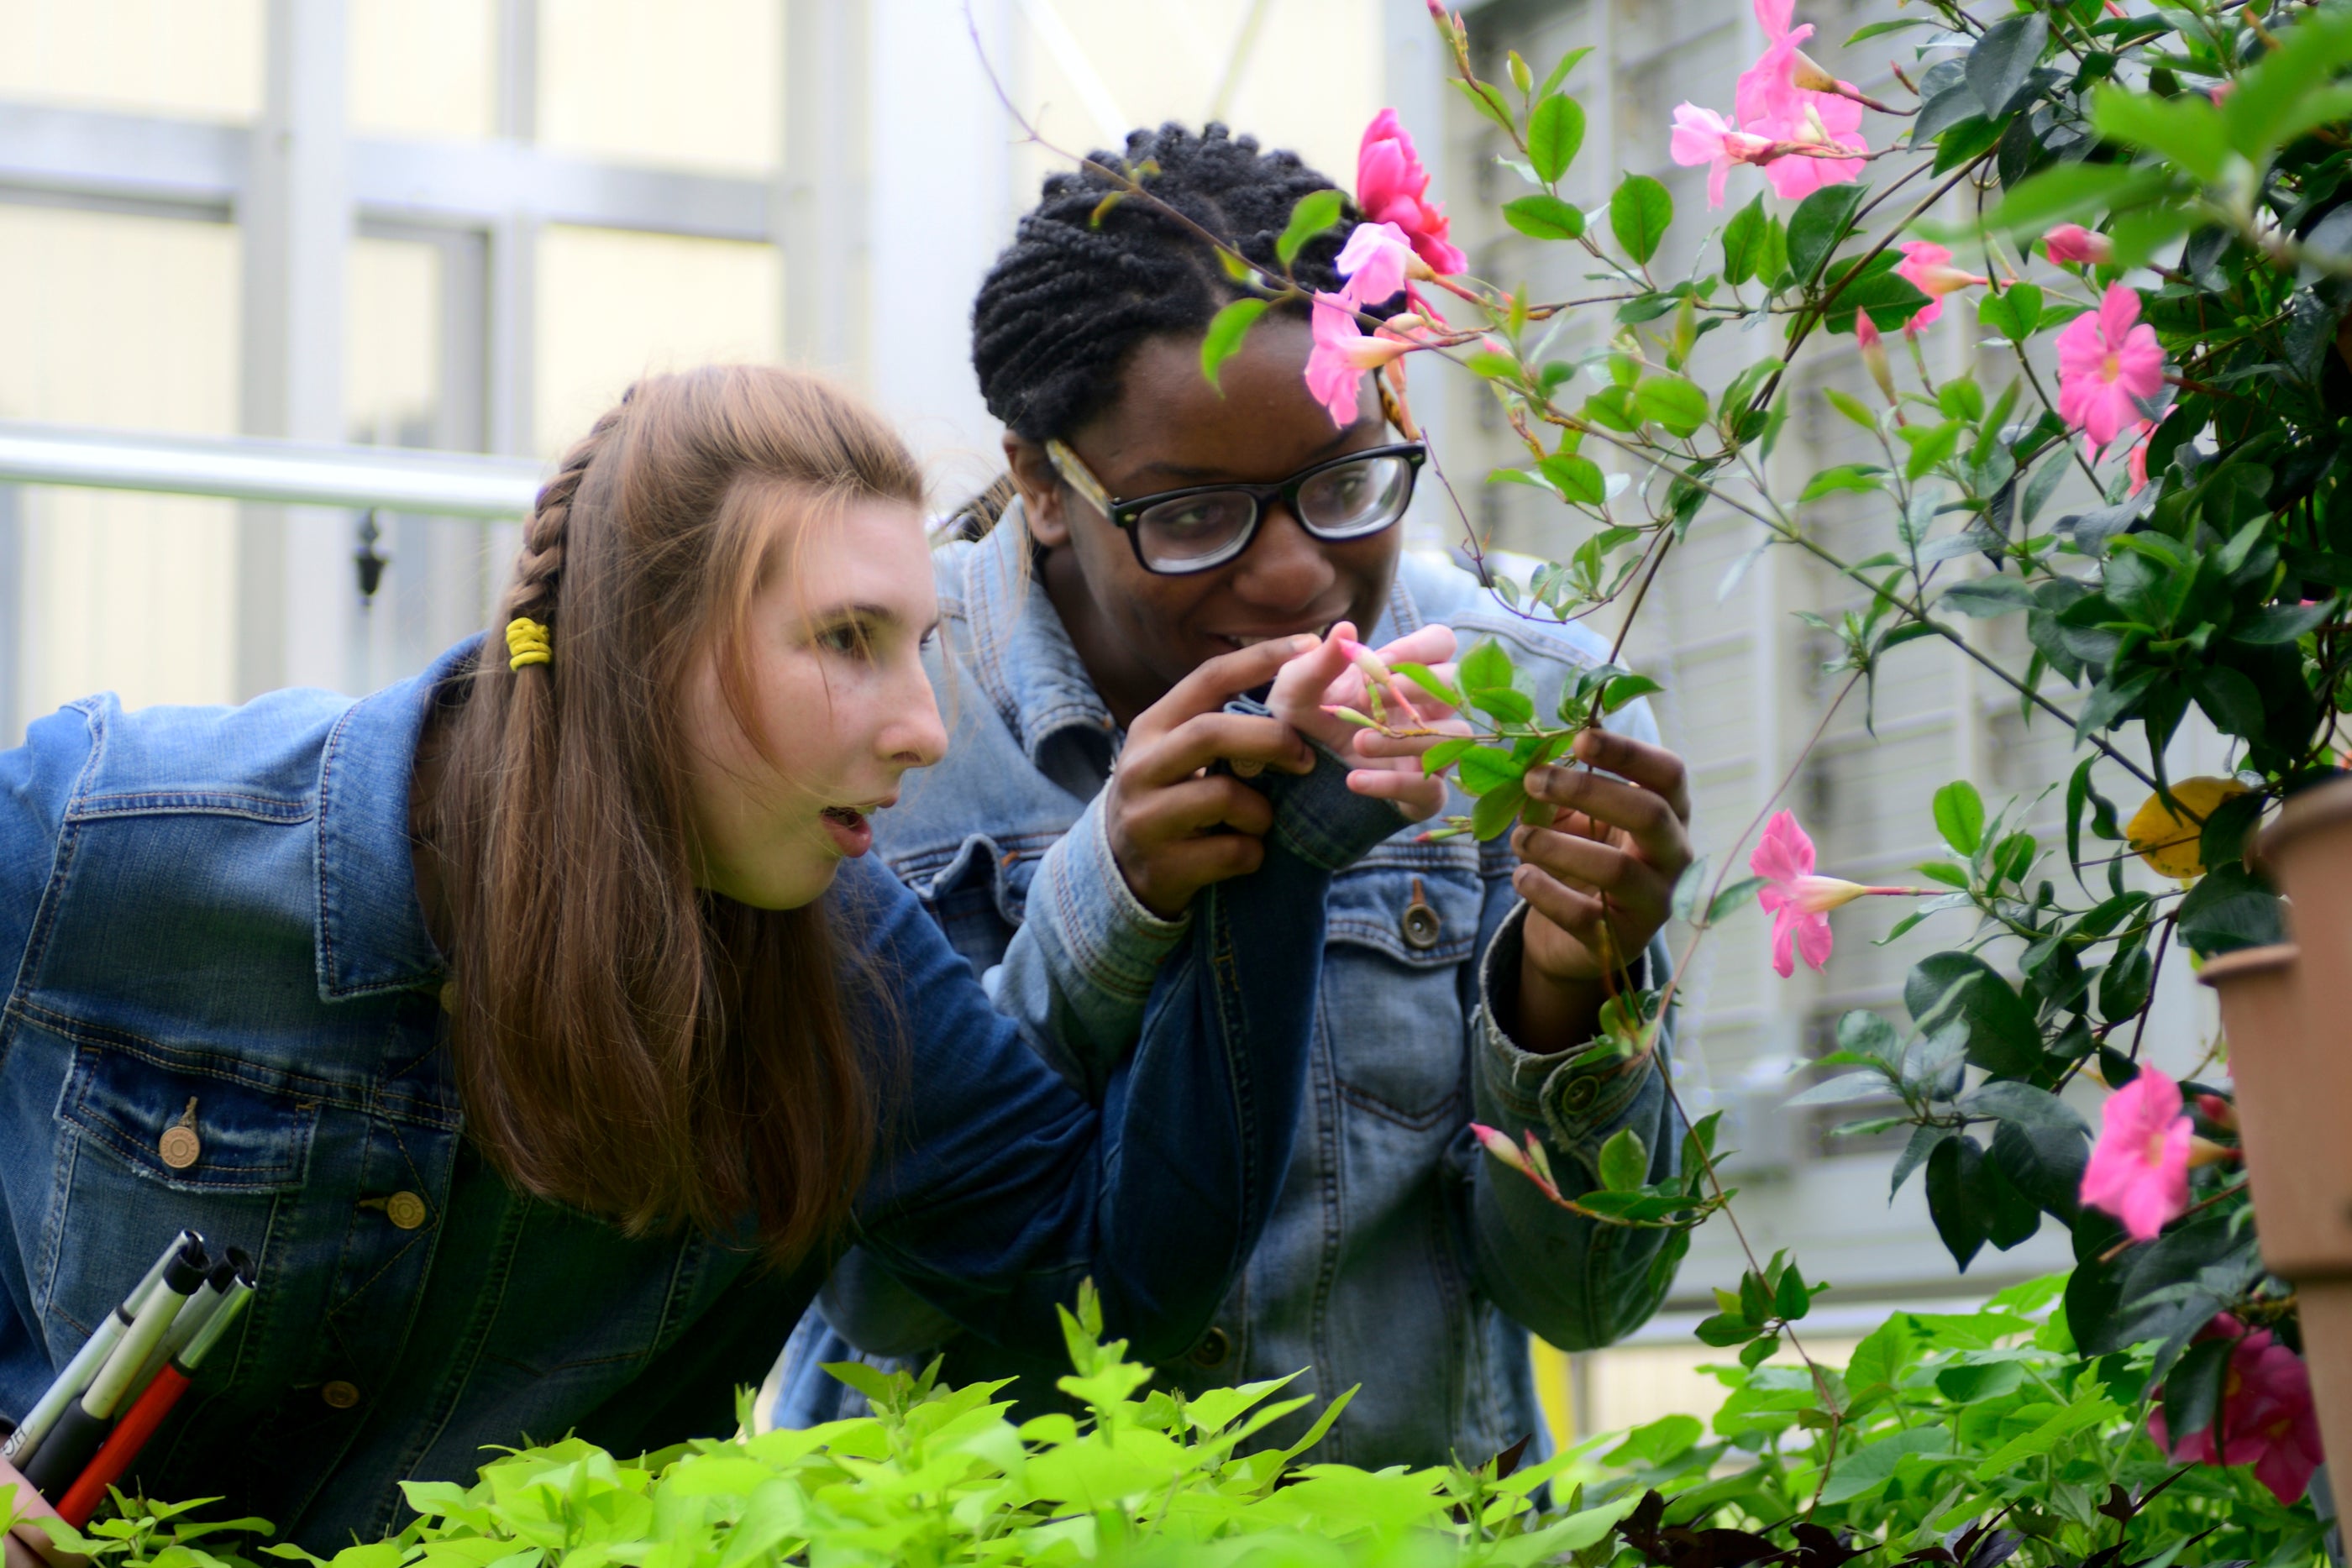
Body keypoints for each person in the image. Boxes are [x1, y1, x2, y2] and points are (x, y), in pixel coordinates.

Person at [0, 366, 1431, 1560]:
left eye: (919, 645)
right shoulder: (104, 835)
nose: (924, 727)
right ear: (640, 646)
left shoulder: (844, 976)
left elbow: (1102, 1289)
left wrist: (1284, 848)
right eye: (846, 642)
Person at [770, 125, 1698, 1471]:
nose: (1291, 578)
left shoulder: (1533, 701)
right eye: (1196, 515)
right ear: (1039, 481)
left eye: (1345, 485)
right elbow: (873, 1299)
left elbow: (1591, 1301)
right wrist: (1109, 903)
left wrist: (1568, 997)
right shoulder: (881, 717)